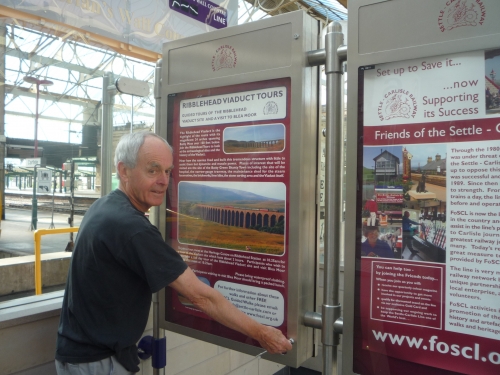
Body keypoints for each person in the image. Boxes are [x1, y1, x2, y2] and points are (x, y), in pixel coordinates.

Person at [55, 132, 292, 374]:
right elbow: (202, 297)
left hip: (82, 355)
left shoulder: (105, 206)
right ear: (124, 171)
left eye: (168, 171)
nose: (164, 180)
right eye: (153, 170)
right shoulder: (132, 228)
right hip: (98, 363)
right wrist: (263, 333)